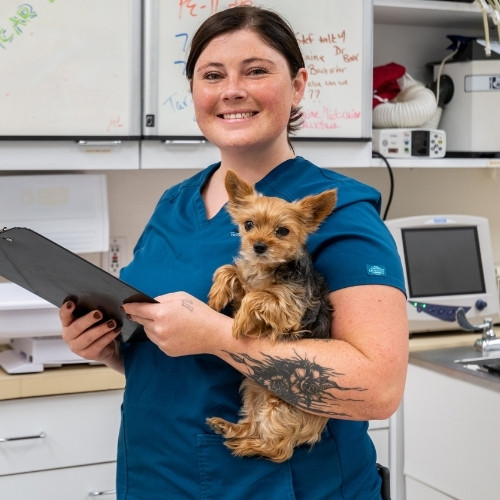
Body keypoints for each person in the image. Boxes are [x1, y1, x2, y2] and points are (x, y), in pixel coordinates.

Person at [60, 6, 408, 499]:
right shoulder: (174, 203)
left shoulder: (338, 211)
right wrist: (111, 349)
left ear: (299, 85)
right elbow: (181, 354)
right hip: (157, 473)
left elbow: (378, 389)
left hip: (277, 485)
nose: (232, 90)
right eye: (212, 75)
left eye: (257, 70)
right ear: (195, 92)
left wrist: (217, 335)